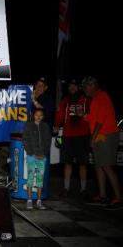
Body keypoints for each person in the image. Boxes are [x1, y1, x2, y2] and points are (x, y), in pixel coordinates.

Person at [81, 76, 122, 210]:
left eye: (85, 87)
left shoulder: (102, 96)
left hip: (106, 135)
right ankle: (102, 196)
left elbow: (100, 121)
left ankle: (118, 198)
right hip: (100, 136)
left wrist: (92, 138)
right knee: (99, 165)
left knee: (106, 166)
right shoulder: (96, 99)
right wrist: (84, 116)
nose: (84, 90)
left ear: (92, 85)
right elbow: (94, 118)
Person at [53, 80, 90, 198]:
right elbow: (59, 115)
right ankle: (66, 188)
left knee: (82, 164)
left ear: (79, 87)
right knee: (67, 164)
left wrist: (84, 115)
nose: (72, 88)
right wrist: (56, 125)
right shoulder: (65, 100)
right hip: (68, 136)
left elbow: (93, 115)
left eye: (74, 86)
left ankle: (83, 189)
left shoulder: (86, 99)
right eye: (70, 86)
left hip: (83, 136)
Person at [23, 108, 51, 210]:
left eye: (40, 115)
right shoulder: (28, 126)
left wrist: (44, 154)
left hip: (42, 157)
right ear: (33, 115)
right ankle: (29, 200)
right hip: (31, 157)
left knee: (40, 179)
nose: (38, 117)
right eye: (36, 115)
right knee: (30, 178)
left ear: (43, 117)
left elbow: (48, 141)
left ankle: (39, 201)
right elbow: (25, 140)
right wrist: (32, 153)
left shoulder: (46, 126)